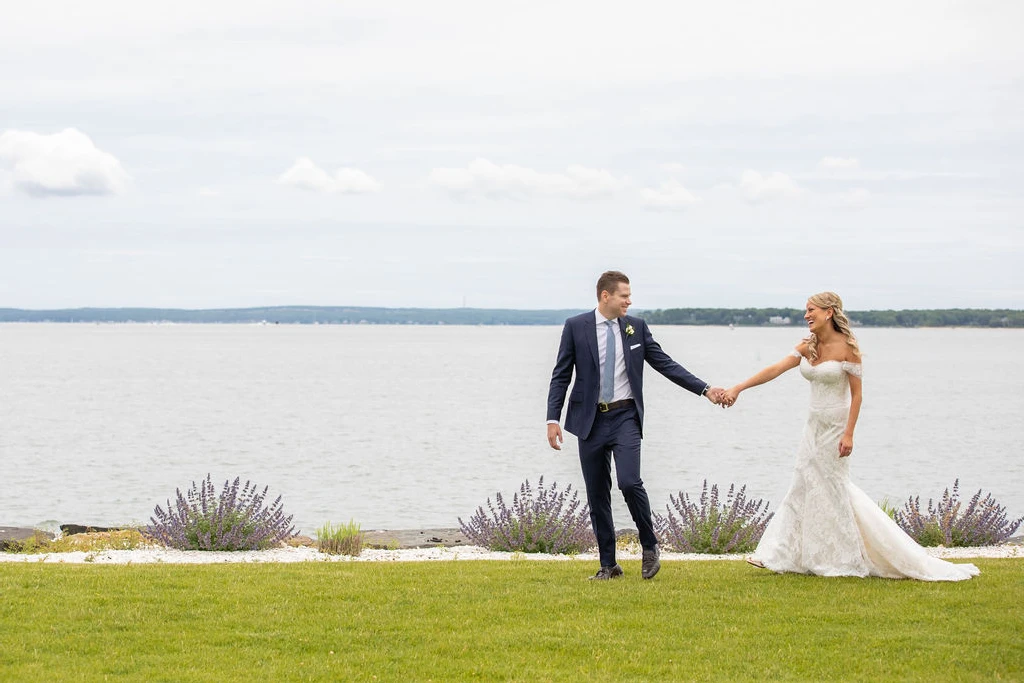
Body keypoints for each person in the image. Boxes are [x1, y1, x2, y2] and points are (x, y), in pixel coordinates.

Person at [723, 292, 978, 580]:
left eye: (811, 310)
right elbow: (775, 369)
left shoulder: (849, 348)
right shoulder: (808, 347)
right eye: (805, 311)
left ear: (829, 312)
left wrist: (849, 434)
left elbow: (857, 396)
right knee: (802, 485)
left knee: (833, 489)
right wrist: (738, 388)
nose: (806, 315)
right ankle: (782, 554)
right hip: (813, 426)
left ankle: (844, 558)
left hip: (836, 428)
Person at [546, 271, 726, 580]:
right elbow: (561, 374)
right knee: (596, 494)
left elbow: (664, 363)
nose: (629, 301)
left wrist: (705, 389)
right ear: (606, 296)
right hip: (589, 420)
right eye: (624, 295)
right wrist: (553, 419)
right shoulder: (576, 327)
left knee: (629, 482)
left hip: (625, 416)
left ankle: (649, 545)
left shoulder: (636, 328)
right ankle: (608, 565)